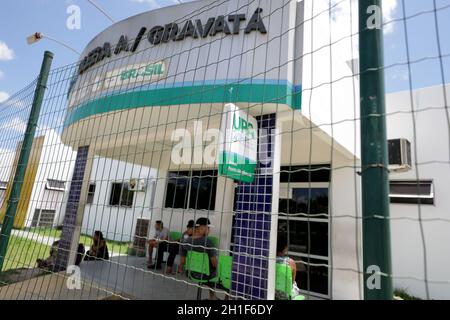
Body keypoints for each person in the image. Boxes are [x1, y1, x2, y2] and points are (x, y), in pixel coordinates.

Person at [178, 218, 219, 300]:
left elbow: (182, 261)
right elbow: (214, 264)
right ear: (201, 228)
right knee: (223, 273)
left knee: (210, 269)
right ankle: (215, 297)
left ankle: (212, 296)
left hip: (191, 273)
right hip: (206, 275)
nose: (209, 230)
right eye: (208, 228)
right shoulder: (209, 242)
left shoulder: (186, 241)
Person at [275, 233, 300, 300]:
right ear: (286, 248)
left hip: (272, 292)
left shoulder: (269, 262)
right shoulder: (291, 262)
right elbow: (291, 282)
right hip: (286, 296)